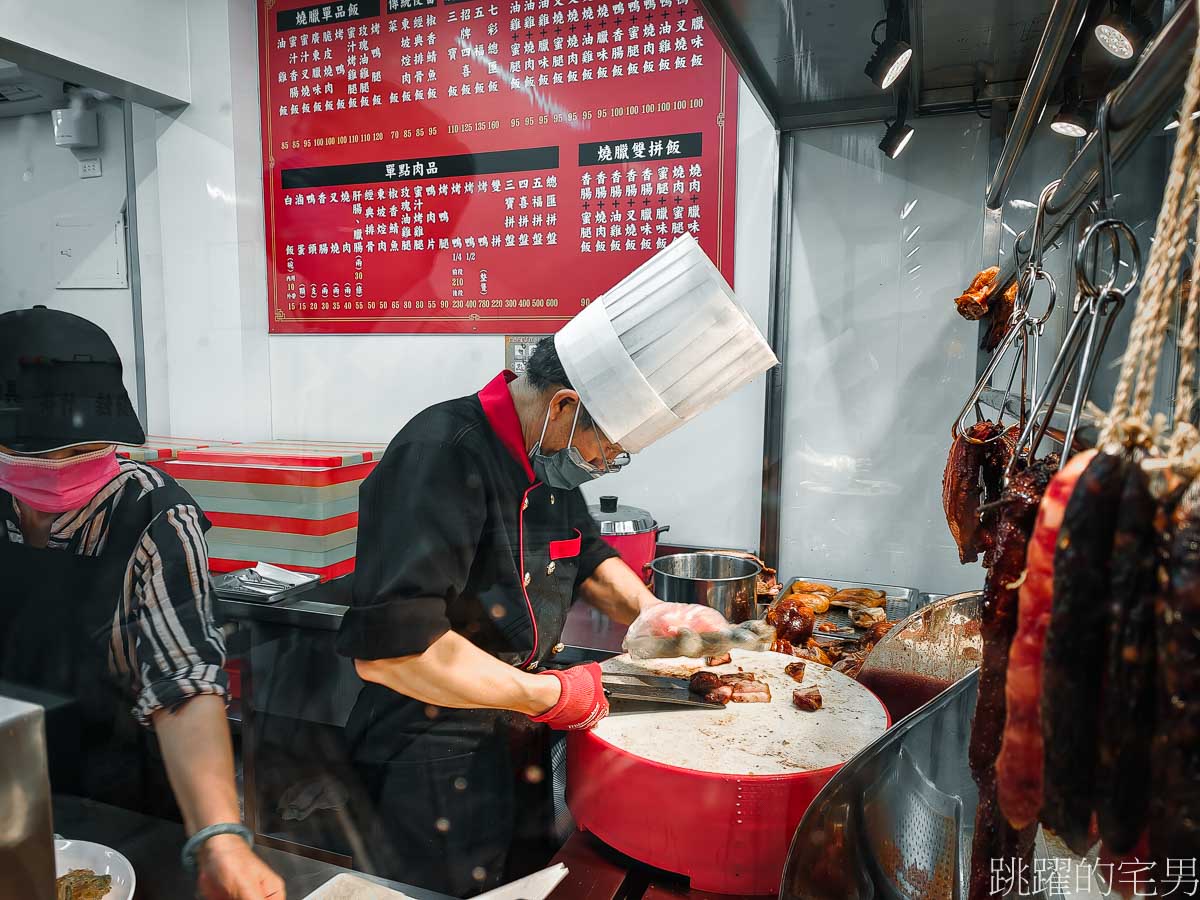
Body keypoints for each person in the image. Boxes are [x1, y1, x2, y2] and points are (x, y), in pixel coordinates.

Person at [336, 235, 778, 895]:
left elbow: (588, 553)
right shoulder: (440, 454)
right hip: (425, 749)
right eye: (609, 449)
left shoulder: (547, 458)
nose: (603, 466)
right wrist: (554, 694)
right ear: (567, 407)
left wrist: (653, 611)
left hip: (515, 730)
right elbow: (395, 654)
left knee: (527, 883)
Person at [0, 307, 284, 900]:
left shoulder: (154, 515)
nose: (60, 466)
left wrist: (220, 836)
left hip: (113, 789)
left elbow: (184, 676)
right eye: (39, 448)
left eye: (81, 446)